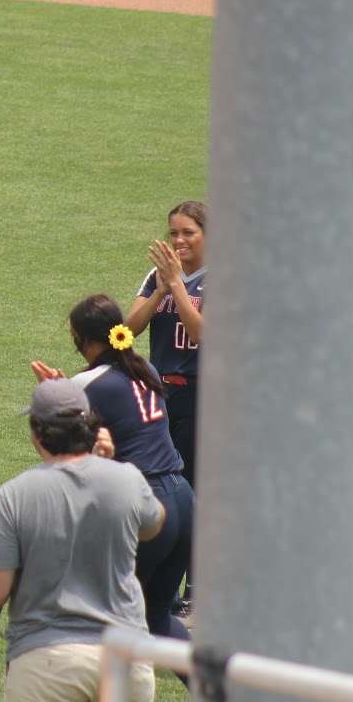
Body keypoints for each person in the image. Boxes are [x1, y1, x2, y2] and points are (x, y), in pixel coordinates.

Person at [0, 379, 164, 702]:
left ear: (37, 434)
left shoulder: (15, 495)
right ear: (91, 429)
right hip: (125, 660)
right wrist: (107, 466)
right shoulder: (127, 479)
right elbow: (152, 524)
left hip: (46, 664)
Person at [32, 294, 194, 642]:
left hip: (146, 510)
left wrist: (58, 394)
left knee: (103, 617)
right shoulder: (144, 368)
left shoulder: (86, 385)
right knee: (155, 618)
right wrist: (68, 389)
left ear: (83, 338)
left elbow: (64, 444)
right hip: (183, 501)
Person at [124, 200, 206, 490]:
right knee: (152, 474)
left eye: (188, 233)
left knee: (191, 478)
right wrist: (160, 292)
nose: (179, 241)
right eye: (173, 233)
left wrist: (176, 286)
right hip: (158, 390)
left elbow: (199, 333)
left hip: (199, 393)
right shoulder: (158, 275)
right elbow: (127, 332)